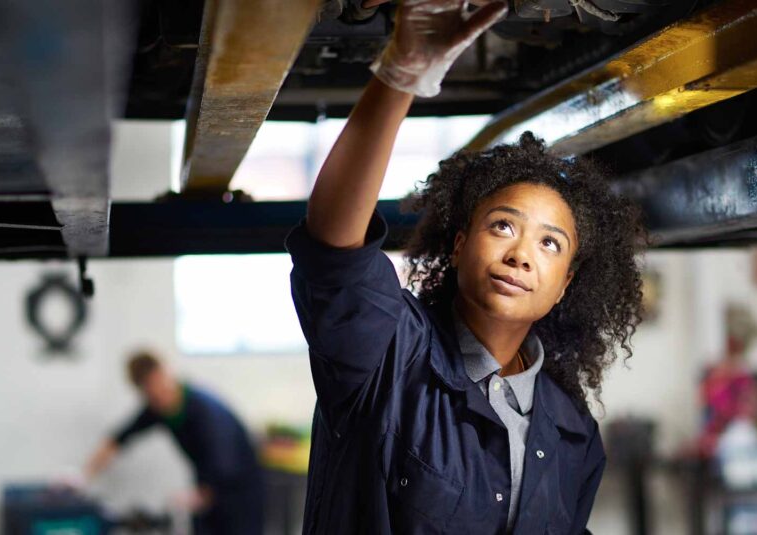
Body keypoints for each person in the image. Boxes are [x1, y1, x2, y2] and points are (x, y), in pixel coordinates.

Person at [284, 1, 645, 532]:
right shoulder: (388, 355)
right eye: (503, 226)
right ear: (457, 246)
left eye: (550, 244)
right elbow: (335, 250)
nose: (520, 253)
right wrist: (400, 74)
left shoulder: (572, 434)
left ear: (566, 285)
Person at [85, 351, 264, 535]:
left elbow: (225, 464)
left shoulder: (205, 411)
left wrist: (196, 497)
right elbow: (118, 439)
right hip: (206, 492)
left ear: (165, 375)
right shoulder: (158, 408)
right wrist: (84, 477)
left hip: (239, 494)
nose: (159, 398)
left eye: (160, 388)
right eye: (151, 395)